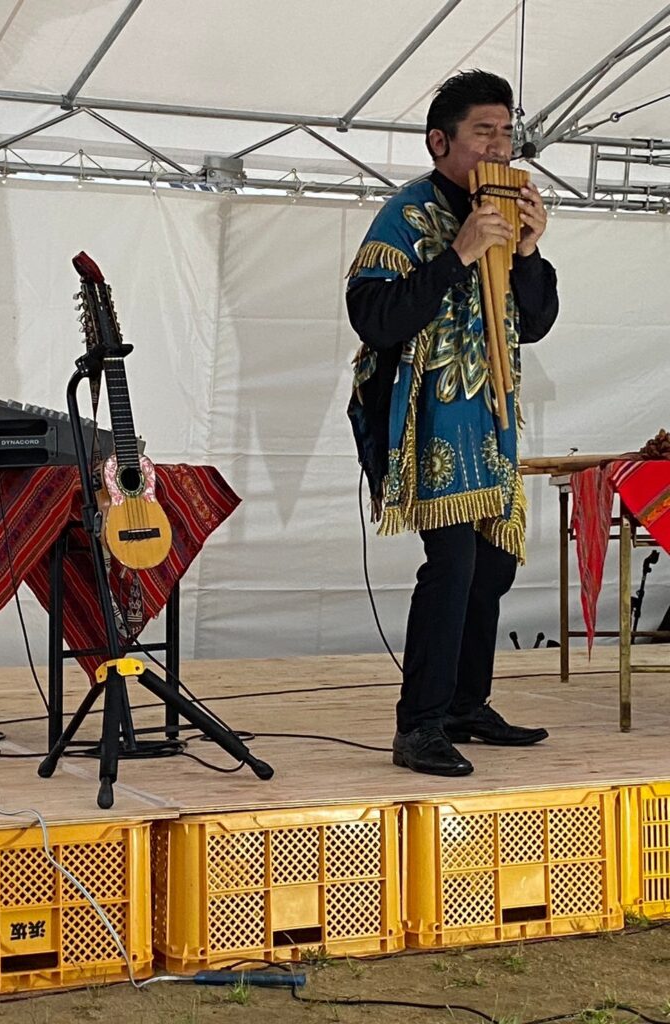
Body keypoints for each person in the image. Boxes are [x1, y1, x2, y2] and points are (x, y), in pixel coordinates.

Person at [346, 70, 559, 777]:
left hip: (487, 415)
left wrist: (527, 251)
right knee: (454, 564)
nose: (499, 147)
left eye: (507, 133)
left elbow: (535, 323)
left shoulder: (503, 210)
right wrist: (458, 253)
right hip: (423, 420)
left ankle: (468, 704)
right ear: (440, 141)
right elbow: (374, 318)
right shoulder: (405, 216)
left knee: (493, 564)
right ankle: (420, 725)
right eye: (483, 133)